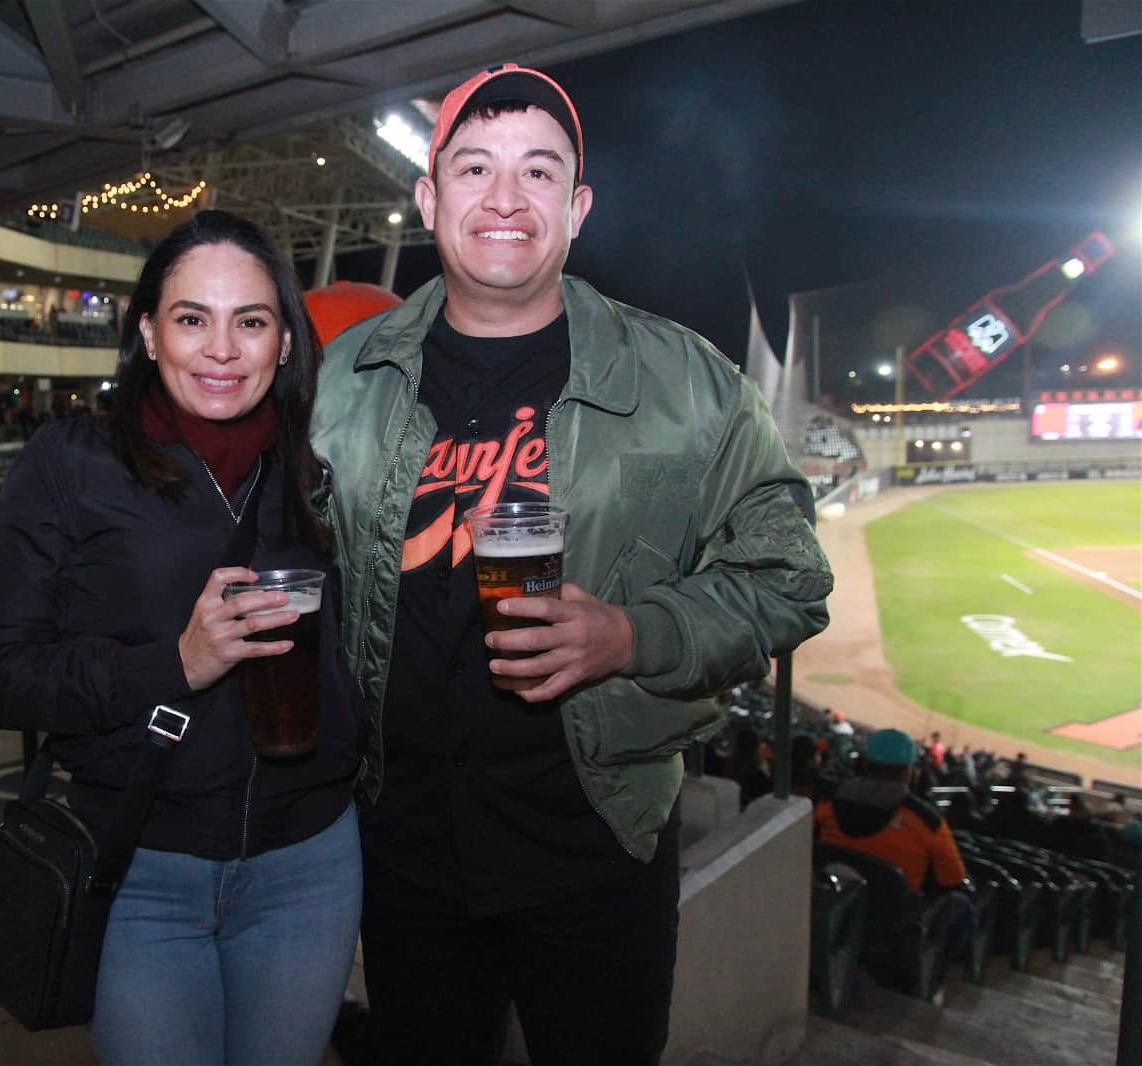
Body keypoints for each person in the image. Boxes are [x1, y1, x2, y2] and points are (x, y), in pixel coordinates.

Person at [310, 63, 832, 1065]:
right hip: (403, 853)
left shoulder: (685, 380)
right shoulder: (345, 377)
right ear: (428, 199)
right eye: (474, 168)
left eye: (538, 173)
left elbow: (789, 576)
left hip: (596, 848)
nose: (505, 199)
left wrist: (635, 634)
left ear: (578, 207)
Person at [0, 210, 361, 1066]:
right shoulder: (69, 463)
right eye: (191, 319)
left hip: (309, 865)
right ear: (147, 331)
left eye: (250, 321)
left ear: (285, 341)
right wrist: (172, 664)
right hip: (141, 867)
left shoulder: (320, 470)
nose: (221, 349)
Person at [813, 728, 972, 992]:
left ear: (865, 764)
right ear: (908, 772)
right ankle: (929, 986)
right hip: (891, 935)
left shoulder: (827, 806)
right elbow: (952, 880)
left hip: (834, 915)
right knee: (961, 905)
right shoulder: (925, 820)